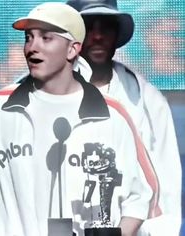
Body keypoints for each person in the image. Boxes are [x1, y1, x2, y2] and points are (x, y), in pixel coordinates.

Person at [0, 2, 152, 236]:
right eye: (28, 38)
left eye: (46, 38)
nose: (32, 47)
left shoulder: (112, 115)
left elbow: (139, 195)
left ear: (72, 49)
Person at [66, 0, 182, 235]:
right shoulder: (42, 96)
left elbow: (167, 185)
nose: (98, 36)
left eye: (106, 27)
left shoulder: (148, 100)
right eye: (89, 27)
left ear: (117, 33)